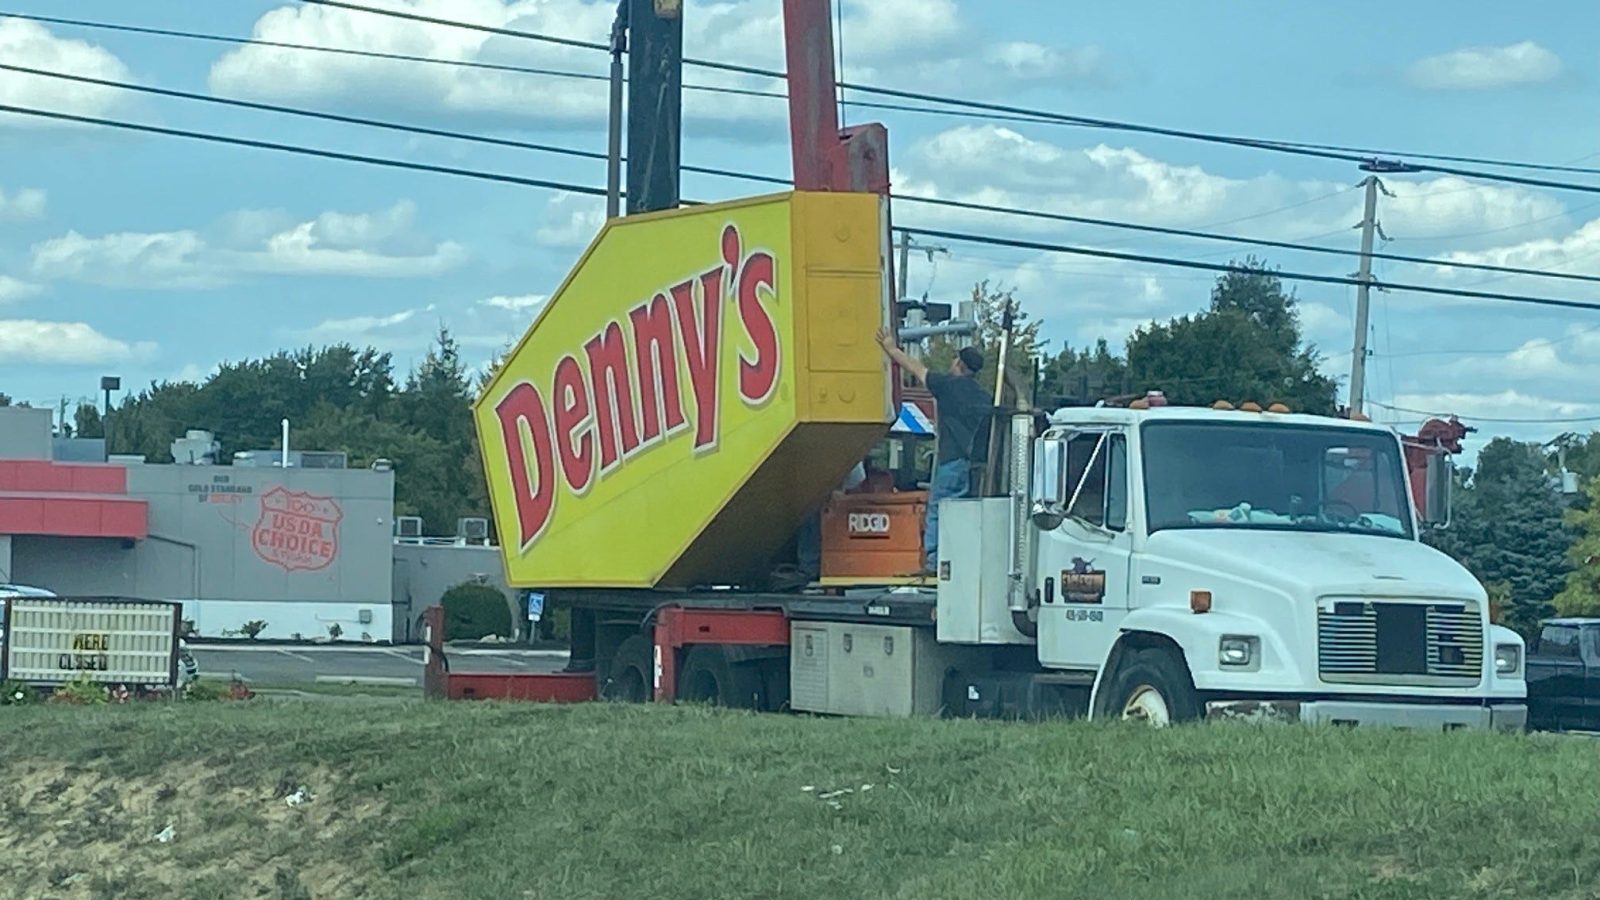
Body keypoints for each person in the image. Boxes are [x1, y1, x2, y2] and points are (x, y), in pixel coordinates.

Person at [875, 328, 990, 573]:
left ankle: (933, 561)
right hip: (975, 464)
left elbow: (916, 368)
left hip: (951, 461)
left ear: (959, 362)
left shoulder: (948, 386)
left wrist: (891, 348)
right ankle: (957, 558)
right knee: (962, 512)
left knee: (938, 508)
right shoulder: (983, 396)